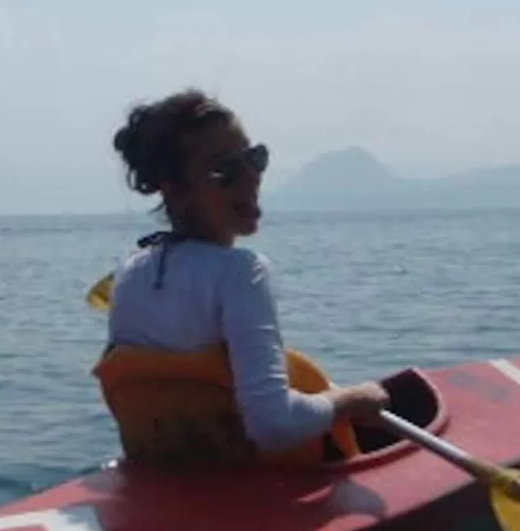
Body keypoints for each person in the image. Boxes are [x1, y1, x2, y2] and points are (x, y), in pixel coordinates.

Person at [92, 89, 388, 468]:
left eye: (254, 159)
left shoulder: (129, 274)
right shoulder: (240, 273)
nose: (249, 177)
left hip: (172, 474)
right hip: (258, 480)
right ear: (176, 190)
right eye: (223, 171)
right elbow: (273, 426)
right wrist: (355, 400)